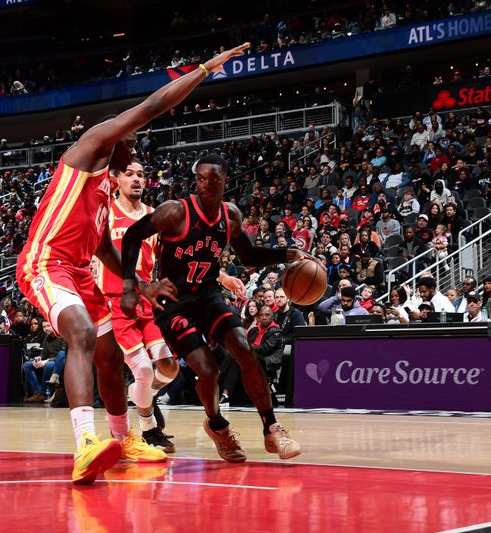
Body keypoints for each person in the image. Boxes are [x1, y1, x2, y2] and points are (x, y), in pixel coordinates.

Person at [16, 43, 250, 484]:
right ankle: (85, 444)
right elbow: (151, 105)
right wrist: (204, 69)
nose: (135, 143)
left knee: (108, 357)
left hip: (81, 271)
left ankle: (122, 439)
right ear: (114, 136)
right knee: (84, 334)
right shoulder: (90, 150)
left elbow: (104, 245)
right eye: (131, 138)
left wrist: (140, 285)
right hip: (45, 261)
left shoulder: (104, 191)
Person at [121, 153, 305, 464]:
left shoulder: (230, 215)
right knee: (208, 370)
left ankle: (272, 428)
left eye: (213, 179)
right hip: (173, 303)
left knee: (245, 349)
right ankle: (217, 425)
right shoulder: (174, 211)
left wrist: (288, 254)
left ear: (225, 182)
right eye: (201, 179)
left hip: (207, 296)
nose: (206, 184)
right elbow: (131, 237)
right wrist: (132, 286)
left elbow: (248, 256)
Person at [93, 160, 179, 453]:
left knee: (169, 367)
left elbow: (174, 257)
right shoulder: (105, 214)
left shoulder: (155, 218)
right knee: (142, 369)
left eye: (141, 174)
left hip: (147, 300)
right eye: (129, 174)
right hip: (114, 302)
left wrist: (221, 275)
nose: (136, 179)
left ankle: (146, 396)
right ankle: (148, 428)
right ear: (116, 179)